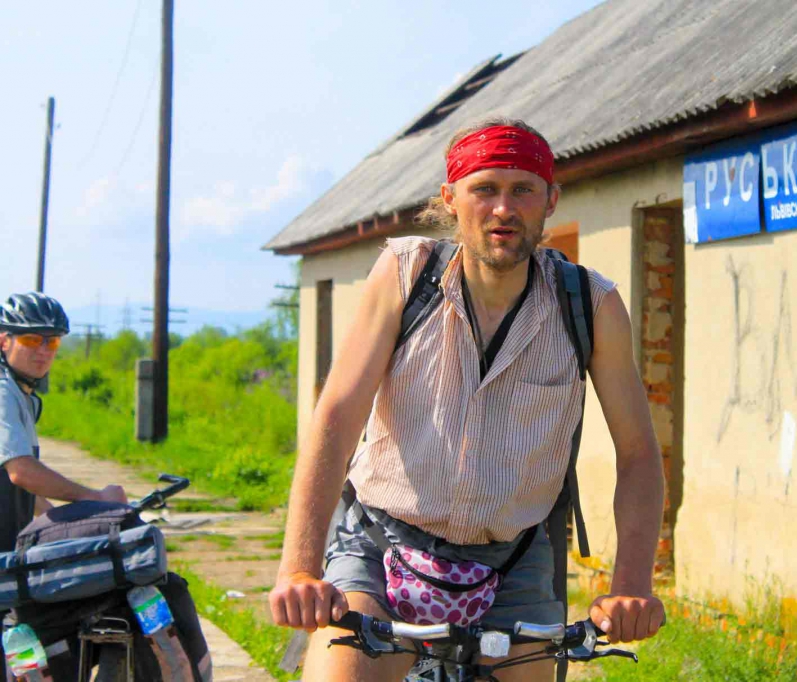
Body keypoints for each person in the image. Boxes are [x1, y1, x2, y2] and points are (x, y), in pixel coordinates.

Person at [269, 117, 666, 682]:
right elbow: (336, 417)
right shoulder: (405, 274)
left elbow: (639, 453)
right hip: (382, 546)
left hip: (513, 562)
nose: (504, 208)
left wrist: (630, 586)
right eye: (485, 189)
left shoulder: (589, 305)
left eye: (523, 189)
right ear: (450, 199)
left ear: (550, 201)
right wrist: (299, 570)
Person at [0, 291, 128, 555]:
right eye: (31, 339)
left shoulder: (21, 395)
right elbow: (22, 472)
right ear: (4, 342)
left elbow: (17, 486)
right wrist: (96, 498)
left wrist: (64, 523)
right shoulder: (3, 393)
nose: (43, 350)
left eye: (52, 342)